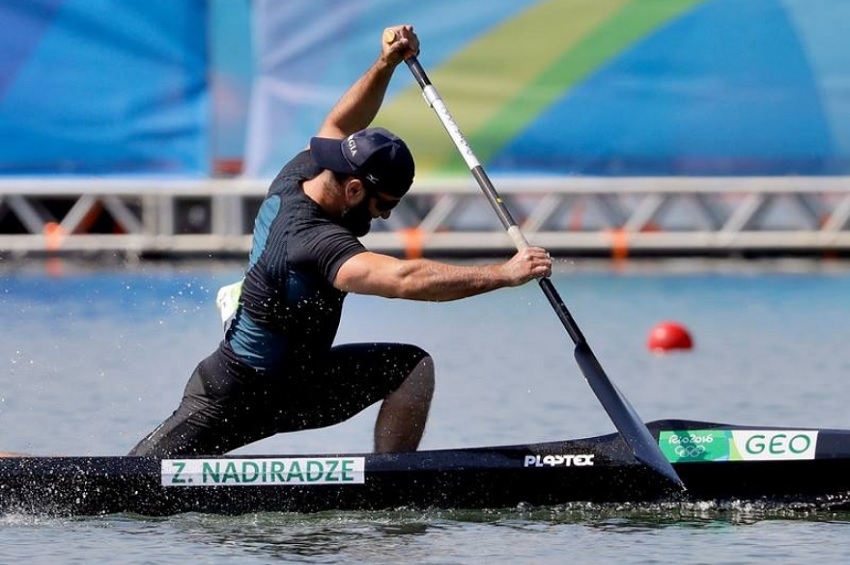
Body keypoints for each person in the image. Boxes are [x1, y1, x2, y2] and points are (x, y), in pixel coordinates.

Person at [128, 25, 552, 458]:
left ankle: (390, 481)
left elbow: (341, 123)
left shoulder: (305, 170)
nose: (385, 216)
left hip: (302, 386)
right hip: (235, 394)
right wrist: (503, 274)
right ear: (353, 190)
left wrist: (386, 63)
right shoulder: (312, 241)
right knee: (136, 477)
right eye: (383, 204)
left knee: (411, 368)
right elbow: (404, 279)